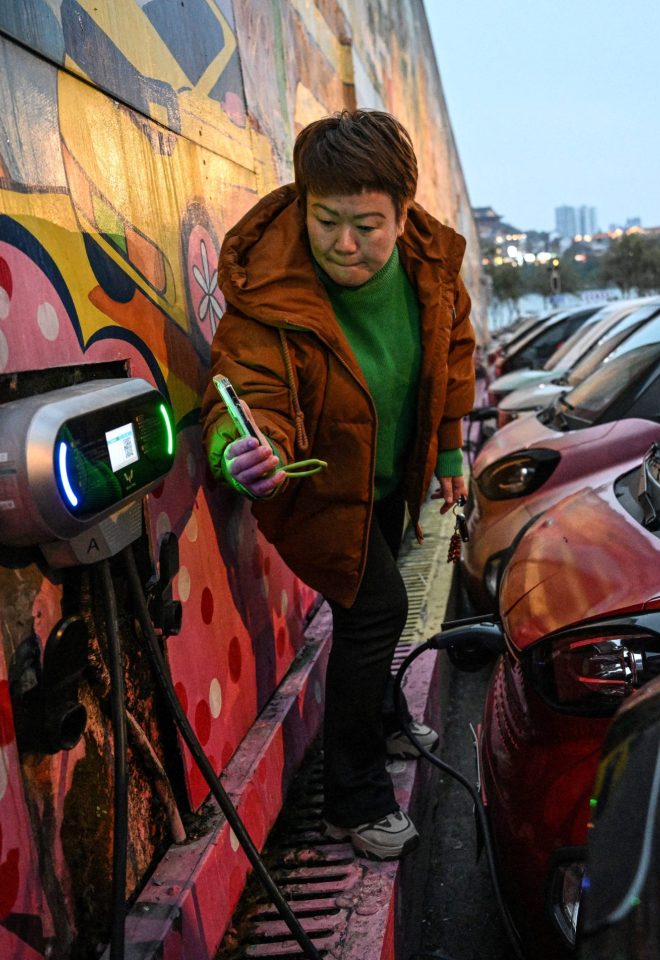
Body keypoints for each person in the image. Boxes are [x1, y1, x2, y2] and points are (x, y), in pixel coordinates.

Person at [200, 110, 475, 860]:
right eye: (326, 220)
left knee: (376, 611)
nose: (345, 244)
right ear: (302, 201)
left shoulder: (430, 260)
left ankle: (385, 718)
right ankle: (353, 800)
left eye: (367, 225)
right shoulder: (271, 286)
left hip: (393, 476)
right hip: (322, 492)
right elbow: (246, 388)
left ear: (403, 212)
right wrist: (246, 451)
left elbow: (453, 351)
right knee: (377, 608)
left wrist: (449, 451)